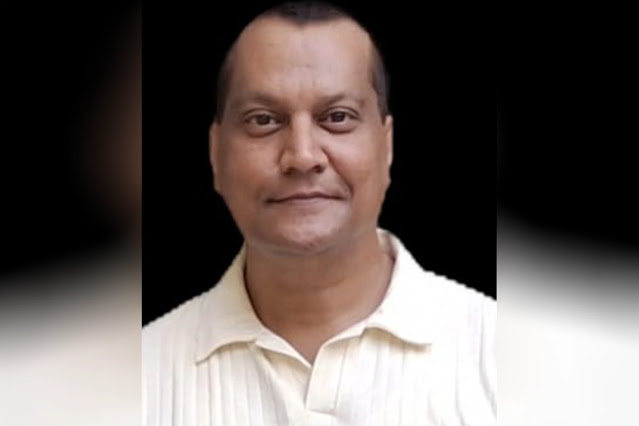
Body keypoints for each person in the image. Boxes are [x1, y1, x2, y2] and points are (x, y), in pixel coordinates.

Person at [143, 2, 495, 424]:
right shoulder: (138, 379)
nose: (302, 156)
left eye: (338, 117)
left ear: (387, 145)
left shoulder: (500, 356)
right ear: (216, 154)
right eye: (263, 120)